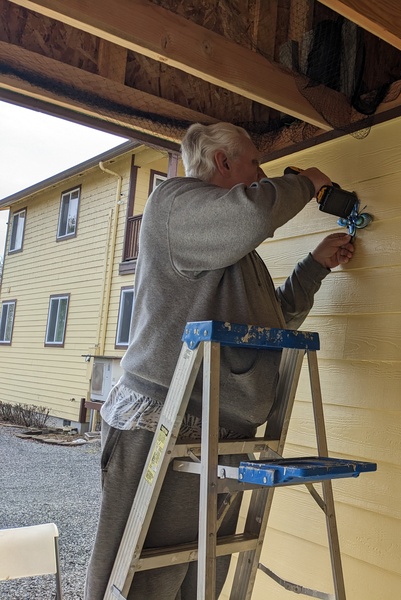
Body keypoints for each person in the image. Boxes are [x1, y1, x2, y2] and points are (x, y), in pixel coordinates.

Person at [84, 122, 355, 599]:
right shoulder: (174, 205)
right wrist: (307, 182)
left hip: (215, 432)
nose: (262, 175)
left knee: (200, 577)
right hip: (164, 423)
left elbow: (268, 325)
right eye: (254, 163)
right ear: (223, 162)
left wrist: (314, 265)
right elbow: (251, 215)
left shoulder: (230, 248)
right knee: (144, 578)